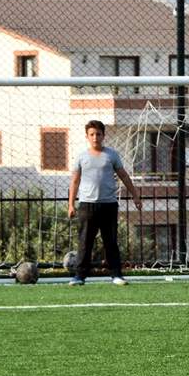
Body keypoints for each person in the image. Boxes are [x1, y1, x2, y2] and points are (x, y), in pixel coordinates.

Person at [67, 119, 143, 286]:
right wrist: (71, 204)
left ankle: (116, 274)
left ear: (103, 135)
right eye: (92, 134)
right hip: (87, 205)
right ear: (87, 136)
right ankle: (79, 276)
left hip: (109, 204)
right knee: (85, 241)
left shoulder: (111, 155)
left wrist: (136, 196)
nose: (95, 137)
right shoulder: (81, 157)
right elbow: (74, 181)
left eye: (98, 134)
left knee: (111, 241)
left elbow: (123, 176)